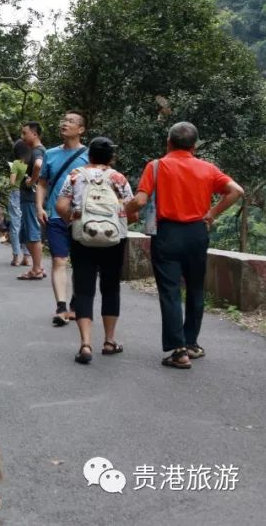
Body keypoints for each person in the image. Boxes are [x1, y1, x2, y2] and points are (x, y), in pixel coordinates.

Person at [125, 122, 243, 370]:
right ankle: (191, 344)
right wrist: (211, 213)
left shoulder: (156, 166)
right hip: (197, 234)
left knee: (170, 291)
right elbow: (236, 191)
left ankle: (178, 351)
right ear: (194, 145)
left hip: (167, 233)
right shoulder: (207, 168)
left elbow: (140, 200)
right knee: (196, 288)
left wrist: (121, 211)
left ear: (168, 142)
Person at [55, 137, 133, 365]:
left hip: (82, 237)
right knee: (110, 288)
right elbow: (131, 209)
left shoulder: (75, 175)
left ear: (89, 156)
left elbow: (60, 206)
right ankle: (109, 341)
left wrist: (73, 220)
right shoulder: (119, 178)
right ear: (111, 157)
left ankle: (85, 344)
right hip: (113, 238)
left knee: (84, 289)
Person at [36, 111, 89, 326]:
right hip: (56, 215)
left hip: (81, 217)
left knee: (80, 263)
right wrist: (39, 206)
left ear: (81, 129)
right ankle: (61, 307)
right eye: (63, 120)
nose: (64, 124)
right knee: (59, 259)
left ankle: (76, 303)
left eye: (70, 122)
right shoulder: (50, 154)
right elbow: (42, 183)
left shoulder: (88, 154)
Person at [17, 122, 45, 277]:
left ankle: (37, 269)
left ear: (34, 134)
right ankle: (37, 266)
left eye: (24, 133)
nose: (22, 136)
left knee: (32, 232)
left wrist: (31, 181)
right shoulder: (36, 150)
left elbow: (39, 165)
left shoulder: (37, 151)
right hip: (29, 198)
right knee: (28, 232)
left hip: (30, 198)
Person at [6, 139, 32, 267]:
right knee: (26, 225)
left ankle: (16, 257)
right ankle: (26, 257)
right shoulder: (30, 164)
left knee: (15, 225)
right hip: (27, 195)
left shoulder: (16, 163)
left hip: (15, 193)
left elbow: (12, 181)